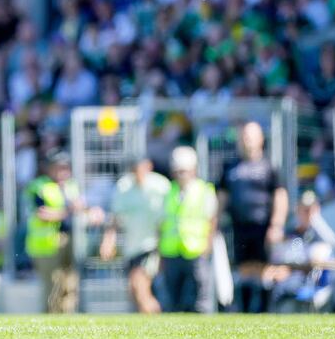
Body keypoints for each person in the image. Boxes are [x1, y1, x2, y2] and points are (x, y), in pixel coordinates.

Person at [218, 121, 288, 313]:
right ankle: (246, 311)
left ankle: (265, 310)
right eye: (244, 136)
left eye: (251, 136)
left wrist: (277, 225)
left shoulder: (268, 167)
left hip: (263, 227)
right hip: (238, 227)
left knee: (264, 268)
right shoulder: (231, 167)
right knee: (243, 268)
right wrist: (214, 222)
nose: (246, 140)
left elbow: (280, 195)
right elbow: (222, 197)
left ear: (261, 139)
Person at [25, 150, 97, 314]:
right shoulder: (39, 187)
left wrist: (91, 212)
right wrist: (69, 210)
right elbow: (43, 214)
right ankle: (50, 320)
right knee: (53, 286)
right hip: (47, 245)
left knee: (70, 284)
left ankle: (66, 320)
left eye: (65, 168)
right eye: (58, 168)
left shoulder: (71, 186)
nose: (62, 172)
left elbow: (82, 207)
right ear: (49, 169)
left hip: (69, 239)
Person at [100, 156, 170, 313]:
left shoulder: (160, 187)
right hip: (132, 247)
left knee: (140, 286)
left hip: (151, 245)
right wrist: (108, 241)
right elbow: (115, 216)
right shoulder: (124, 187)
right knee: (134, 289)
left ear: (149, 167)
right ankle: (150, 324)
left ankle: (158, 324)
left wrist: (161, 249)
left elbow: (165, 222)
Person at [156, 146, 218, 313]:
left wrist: (207, 245)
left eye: (184, 171)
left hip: (195, 250)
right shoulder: (169, 192)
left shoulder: (204, 190)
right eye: (178, 171)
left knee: (200, 295)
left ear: (193, 170)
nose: (180, 175)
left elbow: (211, 220)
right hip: (172, 250)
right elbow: (161, 224)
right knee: (173, 296)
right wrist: (159, 251)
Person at [265, 191, 335, 313]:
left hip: (314, 289)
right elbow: (278, 261)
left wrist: (291, 268)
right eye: (305, 210)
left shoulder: (323, 236)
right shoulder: (289, 236)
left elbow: (320, 261)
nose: (308, 214)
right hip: (287, 289)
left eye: (311, 209)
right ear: (298, 210)